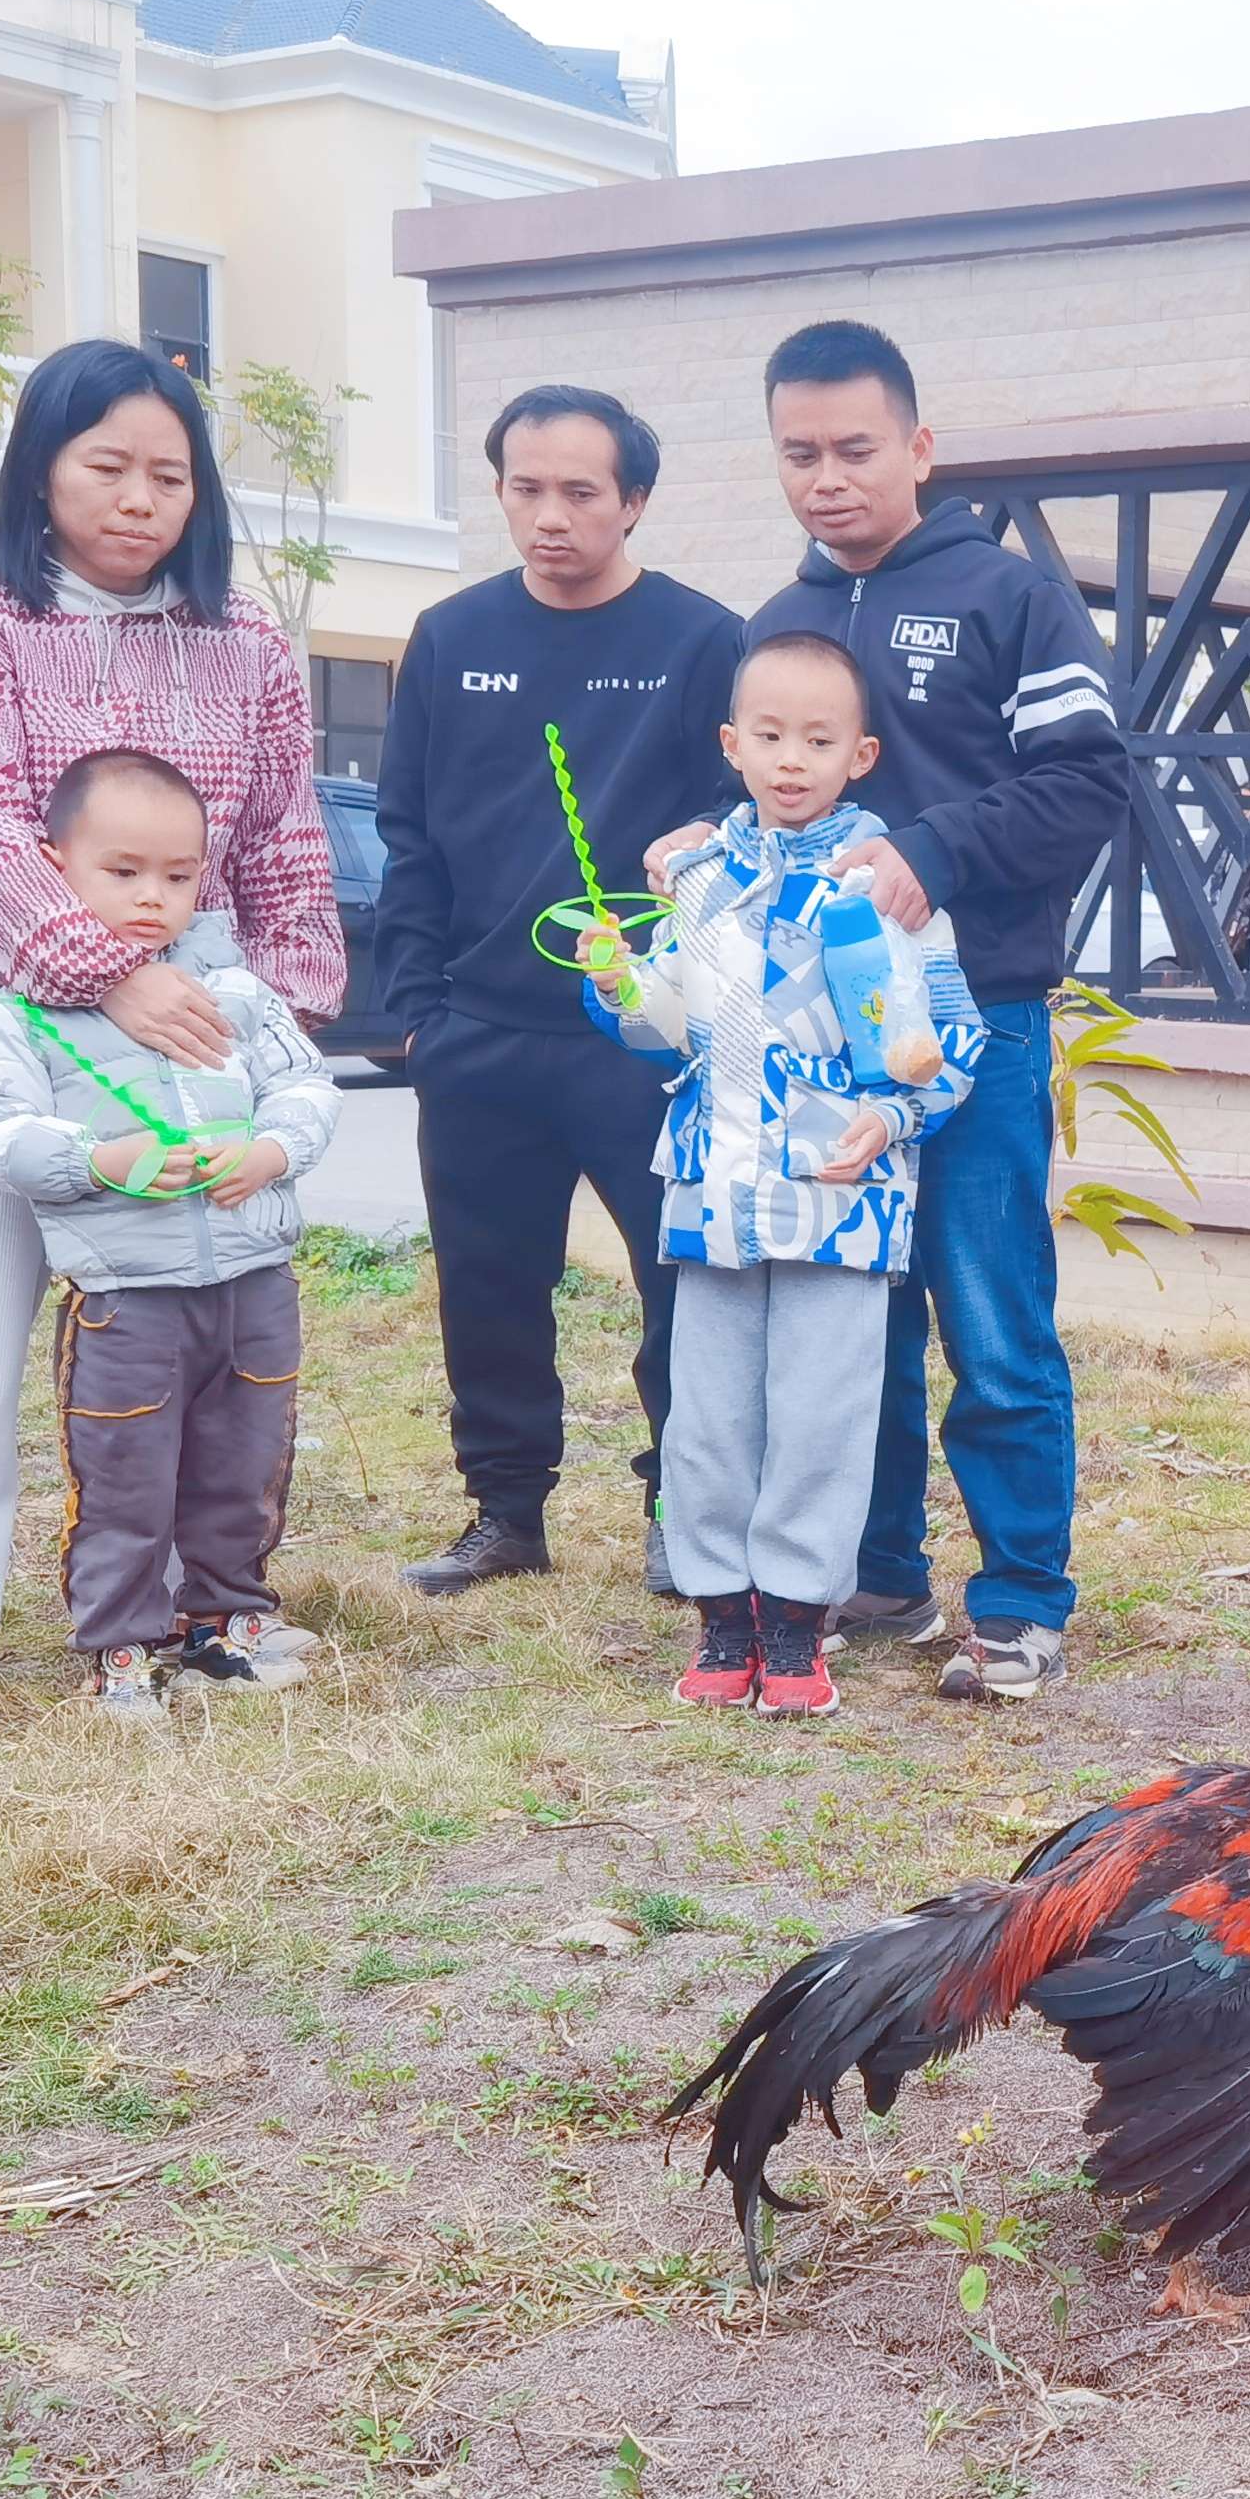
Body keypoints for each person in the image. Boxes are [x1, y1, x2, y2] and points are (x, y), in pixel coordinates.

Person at [0, 340, 344, 1736]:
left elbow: (284, 838)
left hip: (191, 1043)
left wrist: (284, 1012)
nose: (139, 500)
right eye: (106, 467)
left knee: (192, 1337)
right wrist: (98, 973)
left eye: (169, 475)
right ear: (40, 470)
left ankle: (201, 1605)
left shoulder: (245, 639)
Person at [731, 319, 1131, 1705]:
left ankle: (1019, 1601)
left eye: (855, 450)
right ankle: (879, 1570)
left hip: (983, 1029)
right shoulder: (781, 624)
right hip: (818, 1063)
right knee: (858, 1318)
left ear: (920, 445)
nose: (827, 479)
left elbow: (1092, 787)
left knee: (992, 1320)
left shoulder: (1009, 599)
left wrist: (936, 853)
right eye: (799, 453)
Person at [375, 385, 743, 1599]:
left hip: (642, 1035)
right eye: (525, 488)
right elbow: (408, 829)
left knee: (678, 1279)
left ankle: (676, 1506)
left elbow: (738, 830)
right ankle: (505, 1512)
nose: (550, 516)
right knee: (488, 1281)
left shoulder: (701, 642)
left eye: (581, 492)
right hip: (477, 1030)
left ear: (632, 501)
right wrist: (419, 1010)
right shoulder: (450, 635)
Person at [591, 630, 984, 1717]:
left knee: (822, 1411)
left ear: (860, 754)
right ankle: (721, 1615)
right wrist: (623, 984)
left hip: (839, 1196)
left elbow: (952, 1036)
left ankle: (799, 1623)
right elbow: (666, 1035)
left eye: (819, 739)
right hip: (714, 1187)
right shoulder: (699, 882)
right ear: (732, 744)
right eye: (769, 735)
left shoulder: (890, 886)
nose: (791, 759)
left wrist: (895, 1110)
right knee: (707, 1412)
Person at [0, 750, 339, 1710]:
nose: (153, 898)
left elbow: (306, 1088)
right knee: (123, 1479)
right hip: (128, 1304)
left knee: (244, 1463)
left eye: (179, 875)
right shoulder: (22, 1015)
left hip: (253, 1287)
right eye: (123, 873)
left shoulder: (237, 994)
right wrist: (96, 1161)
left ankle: (226, 1620)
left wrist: (273, 1154)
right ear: (55, 866)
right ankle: (120, 1649)